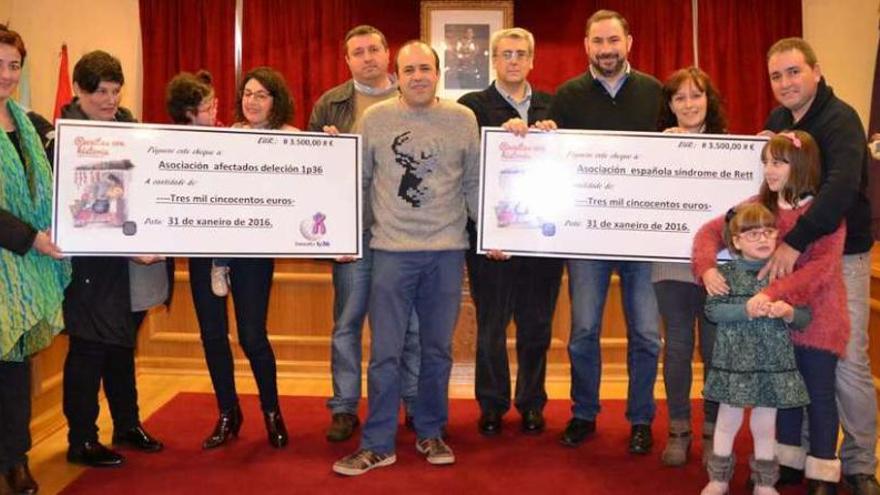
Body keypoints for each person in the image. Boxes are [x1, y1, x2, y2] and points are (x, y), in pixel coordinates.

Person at [332, 40, 479, 476]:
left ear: (438, 72)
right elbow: (357, 183)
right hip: (391, 253)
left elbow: (473, 185)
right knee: (385, 353)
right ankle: (378, 443)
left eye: (425, 68)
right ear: (397, 74)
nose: (417, 76)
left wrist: (494, 231)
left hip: (447, 254)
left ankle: (431, 432)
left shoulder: (462, 119)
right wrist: (346, 235)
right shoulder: (375, 120)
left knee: (437, 351)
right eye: (409, 69)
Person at [693, 131, 849, 494]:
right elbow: (708, 232)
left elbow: (819, 271)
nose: (768, 169)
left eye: (777, 162)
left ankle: (823, 470)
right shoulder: (759, 204)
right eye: (765, 162)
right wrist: (707, 268)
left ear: (800, 165)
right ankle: (788, 463)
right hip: (771, 323)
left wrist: (768, 295)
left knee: (818, 393)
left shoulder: (825, 213)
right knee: (784, 394)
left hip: (817, 317)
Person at [761, 38, 879, 495]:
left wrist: (794, 241)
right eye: (776, 76)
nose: (786, 83)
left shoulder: (840, 118)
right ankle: (806, 456)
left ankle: (859, 461)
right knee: (800, 358)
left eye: (793, 72)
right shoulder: (776, 122)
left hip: (841, 255)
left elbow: (841, 187)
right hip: (794, 255)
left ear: (816, 70)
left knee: (846, 357)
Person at [546, 9, 663, 454]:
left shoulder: (656, 92)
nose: (606, 50)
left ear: (629, 42)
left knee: (647, 334)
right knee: (583, 331)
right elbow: (553, 157)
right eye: (598, 42)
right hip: (587, 237)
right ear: (586, 46)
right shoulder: (568, 96)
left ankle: (640, 419)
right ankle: (583, 413)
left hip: (642, 236)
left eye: (613, 40)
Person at [306, 24, 421, 443]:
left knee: (409, 325)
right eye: (359, 51)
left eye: (375, 48)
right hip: (352, 235)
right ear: (347, 59)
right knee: (347, 324)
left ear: (388, 52)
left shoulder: (413, 96)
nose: (368, 56)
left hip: (401, 233)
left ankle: (412, 400)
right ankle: (343, 407)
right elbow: (315, 177)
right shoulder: (330, 104)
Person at [61, 50, 169, 468]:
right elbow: (80, 209)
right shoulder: (64, 138)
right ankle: (81, 438)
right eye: (99, 92)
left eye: (115, 91)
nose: (109, 100)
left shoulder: (132, 129)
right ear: (77, 91)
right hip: (89, 266)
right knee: (89, 350)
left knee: (122, 345)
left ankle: (126, 423)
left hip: (131, 264)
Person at [457, 27, 563, 437]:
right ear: (494, 61)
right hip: (491, 240)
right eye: (506, 54)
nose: (514, 60)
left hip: (541, 240)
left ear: (532, 60)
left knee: (537, 325)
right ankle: (493, 404)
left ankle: (532, 403)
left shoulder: (554, 107)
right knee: (491, 326)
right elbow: (467, 171)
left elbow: (569, 164)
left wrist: (554, 138)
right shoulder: (472, 107)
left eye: (521, 53)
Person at [181, 67, 293, 450]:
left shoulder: (292, 140)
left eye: (262, 94)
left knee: (251, 336)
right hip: (206, 252)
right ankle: (228, 412)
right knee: (213, 335)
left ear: (276, 100)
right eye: (247, 93)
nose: (253, 101)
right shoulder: (225, 137)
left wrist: (329, 143)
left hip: (252, 255)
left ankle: (272, 412)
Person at [697, 202, 810, 495]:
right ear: (735, 241)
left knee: (764, 424)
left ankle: (764, 482)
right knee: (727, 421)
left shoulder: (785, 273)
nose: (762, 239)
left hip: (772, 364)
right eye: (753, 234)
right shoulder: (727, 274)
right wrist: (745, 309)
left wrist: (787, 312)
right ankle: (719, 479)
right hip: (734, 364)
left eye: (768, 232)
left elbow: (805, 317)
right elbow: (714, 311)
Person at [0, 24, 70, 495]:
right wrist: (32, 239)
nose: (5, 74)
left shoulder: (27, 123)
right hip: (19, 251)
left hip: (20, 275)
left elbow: (45, 189)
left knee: (13, 372)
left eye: (13, 66)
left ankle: (14, 459)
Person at [653, 66, 726, 466]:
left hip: (717, 267)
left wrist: (764, 148)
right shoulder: (656, 146)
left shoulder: (732, 149)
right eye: (679, 98)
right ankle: (679, 429)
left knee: (715, 351)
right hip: (671, 267)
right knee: (678, 347)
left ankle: (714, 429)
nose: (688, 104)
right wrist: (663, 153)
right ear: (670, 106)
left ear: (708, 101)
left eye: (695, 96)